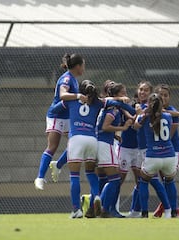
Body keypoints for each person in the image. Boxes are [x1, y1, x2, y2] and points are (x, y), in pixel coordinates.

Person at [51, 80, 134, 218]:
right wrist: (130, 109)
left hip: (76, 138)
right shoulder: (98, 103)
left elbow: (54, 110)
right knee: (92, 173)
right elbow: (116, 103)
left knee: (75, 176)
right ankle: (96, 197)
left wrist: (64, 124)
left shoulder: (72, 101)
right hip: (92, 140)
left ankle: (76, 210)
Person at [34, 53, 87, 190]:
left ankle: (57, 165)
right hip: (56, 114)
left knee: (75, 146)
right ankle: (40, 177)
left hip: (68, 116)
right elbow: (63, 95)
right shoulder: (67, 79)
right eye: (83, 65)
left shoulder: (74, 79)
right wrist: (78, 96)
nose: (84, 69)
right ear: (77, 66)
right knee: (52, 146)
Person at [96, 82, 135, 218]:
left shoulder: (113, 107)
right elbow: (106, 126)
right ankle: (102, 206)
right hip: (105, 144)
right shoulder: (112, 109)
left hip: (101, 143)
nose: (125, 95)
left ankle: (103, 207)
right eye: (122, 93)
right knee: (114, 178)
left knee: (106, 178)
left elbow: (131, 114)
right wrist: (123, 128)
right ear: (116, 95)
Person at [138, 93, 177, 218]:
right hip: (169, 155)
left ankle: (144, 212)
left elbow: (135, 126)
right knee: (169, 181)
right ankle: (173, 211)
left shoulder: (144, 117)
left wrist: (141, 112)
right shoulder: (168, 116)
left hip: (152, 156)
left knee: (143, 181)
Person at [152, 84, 179, 218]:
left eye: (166, 95)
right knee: (164, 180)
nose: (163, 98)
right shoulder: (154, 112)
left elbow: (168, 136)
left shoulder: (172, 112)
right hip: (161, 151)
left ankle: (173, 208)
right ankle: (167, 207)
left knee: (169, 179)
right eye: (161, 95)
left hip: (173, 151)